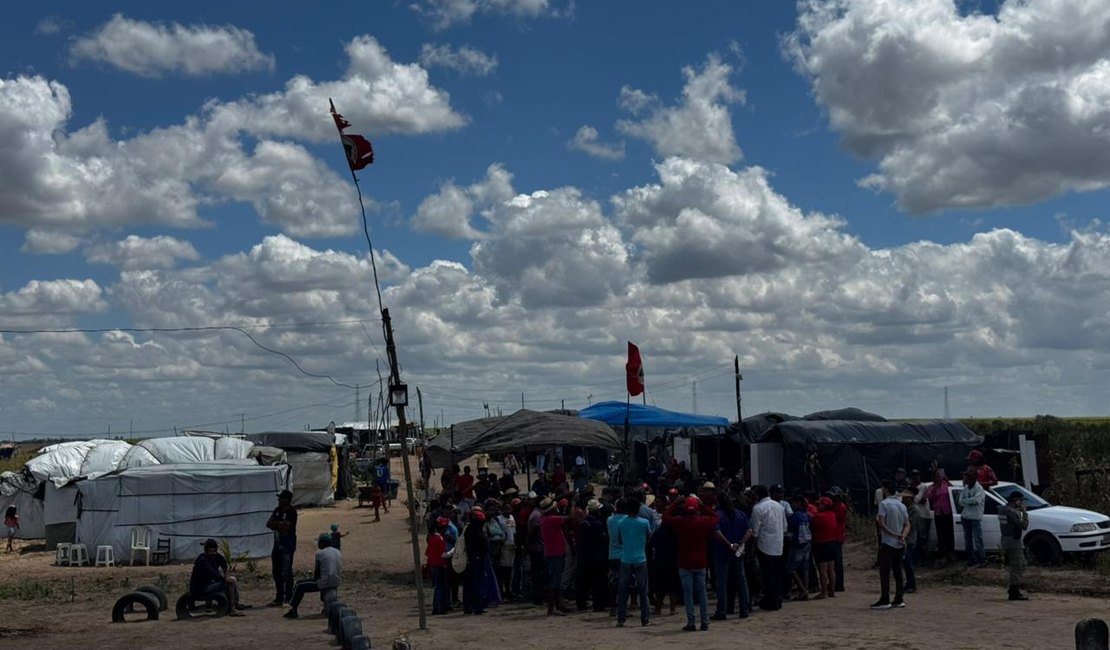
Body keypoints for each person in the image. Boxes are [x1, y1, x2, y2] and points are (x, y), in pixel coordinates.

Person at [663, 495, 718, 632]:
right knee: (702, 593)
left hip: (685, 562)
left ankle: (691, 622)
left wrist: (674, 503)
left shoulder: (680, 522)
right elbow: (716, 517)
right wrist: (703, 505)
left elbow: (665, 517)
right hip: (700, 562)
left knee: (688, 594)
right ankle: (704, 621)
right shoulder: (703, 521)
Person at [711, 491, 751, 620]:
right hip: (738, 551)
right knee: (741, 580)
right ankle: (744, 609)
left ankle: (721, 610)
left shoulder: (718, 516)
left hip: (723, 552)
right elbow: (749, 530)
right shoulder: (740, 514)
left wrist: (729, 545)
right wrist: (740, 543)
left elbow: (717, 533)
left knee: (722, 582)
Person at [283, 533, 342, 618]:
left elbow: (317, 572)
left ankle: (293, 609)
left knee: (299, 585)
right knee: (323, 580)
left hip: (324, 581)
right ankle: (326, 607)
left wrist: (315, 580)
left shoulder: (320, 553)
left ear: (323, 543)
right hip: (336, 581)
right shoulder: (337, 552)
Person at [871, 481, 909, 610]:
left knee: (885, 571)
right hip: (899, 543)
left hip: (888, 542)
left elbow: (881, 523)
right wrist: (902, 535)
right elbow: (907, 524)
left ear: (886, 490)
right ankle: (899, 598)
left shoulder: (884, 504)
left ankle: (885, 598)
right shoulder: (901, 505)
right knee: (898, 571)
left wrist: (894, 534)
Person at [615, 499, 652, 628]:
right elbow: (648, 537)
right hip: (641, 558)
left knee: (623, 591)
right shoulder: (644, 522)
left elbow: (619, 540)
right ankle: (645, 618)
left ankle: (621, 618)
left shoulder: (621, 523)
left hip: (626, 558)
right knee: (643, 591)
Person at [750, 484, 786, 612]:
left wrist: (753, 548)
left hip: (764, 545)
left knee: (767, 575)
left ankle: (770, 601)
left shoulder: (758, 508)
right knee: (776, 574)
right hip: (778, 544)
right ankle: (777, 599)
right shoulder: (779, 506)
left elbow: (755, 531)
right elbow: (784, 526)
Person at [190, 539, 244, 616]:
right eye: (210, 551)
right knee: (230, 583)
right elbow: (213, 573)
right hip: (200, 588)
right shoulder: (202, 560)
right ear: (206, 551)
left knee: (230, 580)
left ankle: (235, 603)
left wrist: (226, 575)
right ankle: (233, 609)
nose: (213, 553)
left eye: (214, 551)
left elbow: (223, 564)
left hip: (207, 584)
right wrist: (225, 580)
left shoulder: (215, 557)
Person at [576, 498, 609, 611]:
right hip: (596, 555)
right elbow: (603, 540)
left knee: (583, 581)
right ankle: (598, 605)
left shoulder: (582, 522)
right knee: (598, 581)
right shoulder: (598, 524)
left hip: (583, 554)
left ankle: (581, 604)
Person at [266, 489, 298, 607]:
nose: (279, 500)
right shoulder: (277, 510)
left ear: (287, 500)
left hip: (288, 546)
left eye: (281, 498)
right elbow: (268, 523)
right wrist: (279, 524)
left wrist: (277, 524)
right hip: (277, 546)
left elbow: (286, 527)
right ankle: (279, 597)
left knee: (287, 572)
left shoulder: (292, 512)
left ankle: (289, 597)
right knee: (276, 572)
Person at [539, 497, 570, 615]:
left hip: (551, 552)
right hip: (555, 553)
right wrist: (571, 505)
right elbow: (569, 517)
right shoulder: (551, 519)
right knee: (554, 581)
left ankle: (557, 605)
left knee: (554, 580)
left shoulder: (544, 518)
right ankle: (552, 609)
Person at [999, 491, 1030, 600]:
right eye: (1020, 500)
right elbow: (1024, 525)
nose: (1021, 503)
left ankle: (1013, 588)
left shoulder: (1002, 509)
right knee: (1018, 566)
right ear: (1015, 501)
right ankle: (1014, 591)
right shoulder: (1012, 512)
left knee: (1016, 565)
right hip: (1013, 541)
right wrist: (1024, 513)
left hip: (1005, 539)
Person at [463, 508, 490, 615]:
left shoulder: (467, 529)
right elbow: (485, 547)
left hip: (469, 559)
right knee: (477, 583)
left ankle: (468, 607)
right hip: (478, 559)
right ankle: (478, 607)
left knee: (468, 583)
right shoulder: (478, 532)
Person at [785, 494, 812, 601]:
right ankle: (805, 589)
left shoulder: (795, 516)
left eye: (793, 503)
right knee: (805, 568)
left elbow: (790, 530)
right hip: (807, 542)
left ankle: (803, 589)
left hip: (797, 543)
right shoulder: (806, 515)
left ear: (798, 503)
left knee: (791, 568)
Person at [809, 496, 838, 599]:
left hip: (821, 543)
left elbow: (813, 526)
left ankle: (824, 592)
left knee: (822, 570)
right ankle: (832, 591)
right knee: (831, 569)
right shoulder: (832, 515)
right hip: (831, 542)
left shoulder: (818, 517)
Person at [959, 469, 987, 568]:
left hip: (975, 517)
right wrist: (968, 501)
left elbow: (976, 500)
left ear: (975, 477)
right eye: (967, 476)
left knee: (978, 539)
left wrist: (966, 501)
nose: (967, 478)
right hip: (965, 516)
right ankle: (971, 560)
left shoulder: (979, 489)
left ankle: (983, 560)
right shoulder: (966, 488)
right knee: (968, 540)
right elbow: (960, 501)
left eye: (970, 476)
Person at [927, 469, 954, 562]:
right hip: (938, 512)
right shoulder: (931, 487)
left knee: (949, 532)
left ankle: (950, 551)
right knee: (940, 533)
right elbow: (929, 496)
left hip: (947, 511)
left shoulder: (945, 485)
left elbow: (952, 491)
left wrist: (946, 480)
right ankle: (942, 551)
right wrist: (936, 486)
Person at [427, 517, 451, 615]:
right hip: (440, 565)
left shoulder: (432, 538)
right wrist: (453, 551)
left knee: (438, 586)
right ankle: (438, 607)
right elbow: (443, 555)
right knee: (441, 587)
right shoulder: (439, 539)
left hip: (433, 565)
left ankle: (438, 606)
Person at [900, 490, 919, 593]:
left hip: (910, 539)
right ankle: (908, 584)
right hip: (905, 537)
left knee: (908, 562)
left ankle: (912, 585)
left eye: (905, 498)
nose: (903, 499)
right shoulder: (905, 509)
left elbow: (910, 525)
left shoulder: (914, 510)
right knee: (905, 563)